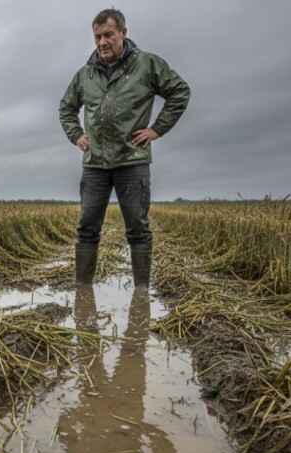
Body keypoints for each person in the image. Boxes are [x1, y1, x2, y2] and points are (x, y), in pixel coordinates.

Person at [59, 8, 190, 289]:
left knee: (138, 231)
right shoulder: (85, 75)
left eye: (108, 35)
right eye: (97, 37)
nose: (102, 42)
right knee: (86, 230)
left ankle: (141, 293)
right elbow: (66, 108)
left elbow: (179, 91)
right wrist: (76, 135)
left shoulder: (147, 65)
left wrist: (157, 129)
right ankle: (83, 292)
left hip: (132, 162)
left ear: (123, 33)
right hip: (95, 165)